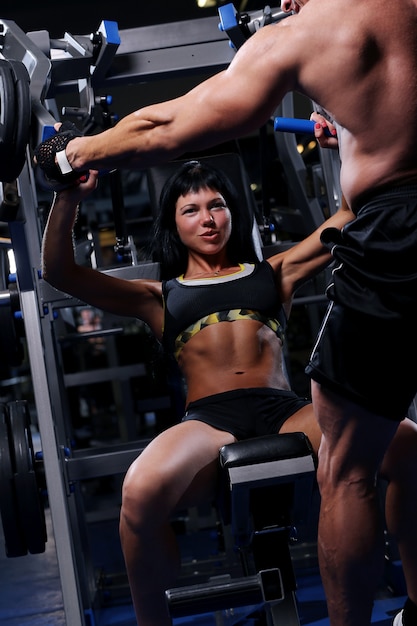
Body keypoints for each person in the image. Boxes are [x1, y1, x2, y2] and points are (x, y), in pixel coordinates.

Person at [35, 0, 417, 623]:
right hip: (209, 420)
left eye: (217, 206)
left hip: (287, 409)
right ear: (175, 226)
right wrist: (66, 197)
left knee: (407, 448)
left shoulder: (276, 270)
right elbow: (60, 273)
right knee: (139, 492)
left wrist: (344, 127)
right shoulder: (158, 296)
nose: (208, 218)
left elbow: (356, 213)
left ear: (232, 214)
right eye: (191, 211)